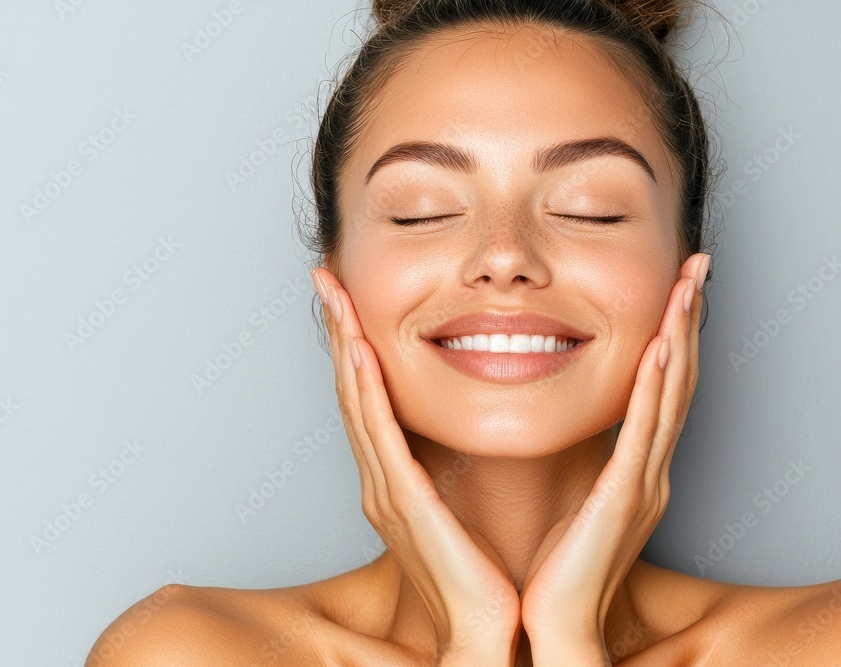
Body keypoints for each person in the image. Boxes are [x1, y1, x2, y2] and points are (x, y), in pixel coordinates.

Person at [86, 0, 841, 664]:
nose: (505, 256)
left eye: (590, 209)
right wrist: (474, 637)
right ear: (335, 286)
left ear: (689, 281)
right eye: (422, 210)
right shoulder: (191, 652)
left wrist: (571, 640)